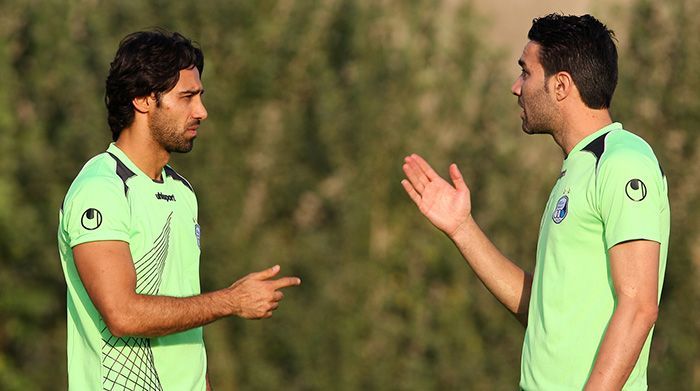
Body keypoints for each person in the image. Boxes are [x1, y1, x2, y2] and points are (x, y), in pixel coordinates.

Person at [401, 13, 669, 390]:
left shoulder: (622, 161)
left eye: (526, 72)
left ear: (560, 85)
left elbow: (639, 306)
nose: (516, 87)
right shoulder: (576, 170)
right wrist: (463, 228)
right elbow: (540, 309)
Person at [57, 30, 301, 390]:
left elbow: (185, 324)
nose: (201, 111)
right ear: (142, 100)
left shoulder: (182, 192)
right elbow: (122, 314)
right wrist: (231, 301)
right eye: (187, 97)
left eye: (200, 96)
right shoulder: (100, 190)